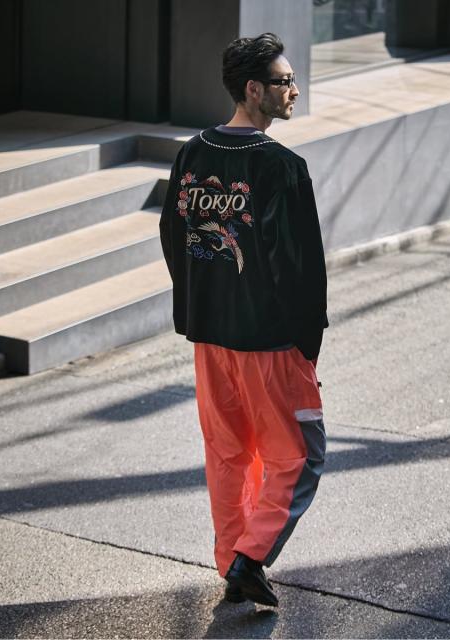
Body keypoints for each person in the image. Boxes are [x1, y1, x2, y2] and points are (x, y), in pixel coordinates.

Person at [159, 32, 328, 608]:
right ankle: (250, 559)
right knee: (301, 454)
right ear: (254, 90)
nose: (294, 90)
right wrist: (307, 344)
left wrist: (199, 303)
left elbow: (173, 236)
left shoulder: (192, 152)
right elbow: (299, 267)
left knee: (228, 452)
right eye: (285, 82)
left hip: (210, 337)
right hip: (270, 342)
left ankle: (232, 558)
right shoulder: (281, 167)